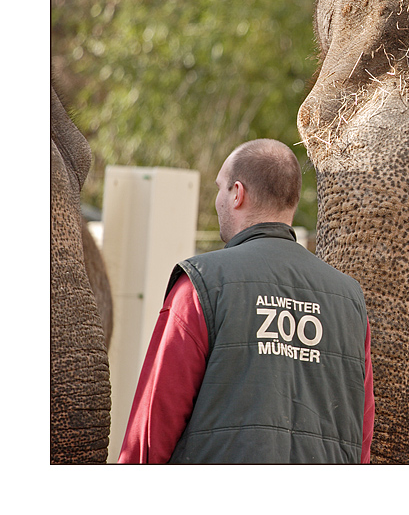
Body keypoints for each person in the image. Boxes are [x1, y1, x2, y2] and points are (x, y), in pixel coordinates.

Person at [118, 139, 374, 463]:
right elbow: (361, 438)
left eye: (220, 188)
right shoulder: (349, 300)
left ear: (237, 194)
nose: (217, 199)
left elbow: (151, 431)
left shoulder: (201, 285)